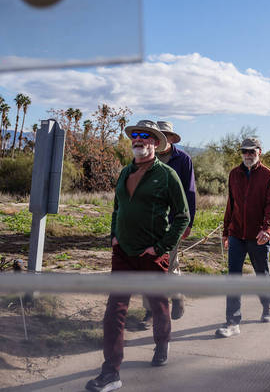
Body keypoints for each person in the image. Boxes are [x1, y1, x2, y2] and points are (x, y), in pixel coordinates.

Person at [86, 120, 189, 392]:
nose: (139, 140)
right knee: (114, 311)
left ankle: (162, 342)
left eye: (146, 137)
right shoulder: (124, 172)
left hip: (151, 256)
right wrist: (114, 237)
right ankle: (111, 372)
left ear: (156, 143)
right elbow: (117, 207)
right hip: (123, 253)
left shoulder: (167, 175)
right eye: (135, 136)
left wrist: (161, 246)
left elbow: (182, 216)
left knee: (158, 306)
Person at [215, 137, 270, 338]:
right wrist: (226, 231)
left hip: (258, 235)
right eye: (244, 151)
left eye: (252, 151)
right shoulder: (234, 174)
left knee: (262, 273)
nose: (248, 155)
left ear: (260, 151)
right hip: (236, 234)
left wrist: (266, 229)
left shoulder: (268, 176)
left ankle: (267, 304)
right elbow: (230, 205)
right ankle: (232, 322)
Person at [142, 121, 196, 322]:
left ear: (172, 139)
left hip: (174, 221)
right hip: (148, 222)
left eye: (166, 135)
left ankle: (177, 295)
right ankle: (150, 311)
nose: (162, 138)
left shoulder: (183, 159)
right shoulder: (147, 157)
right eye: (159, 134)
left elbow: (190, 192)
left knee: (170, 265)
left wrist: (188, 222)